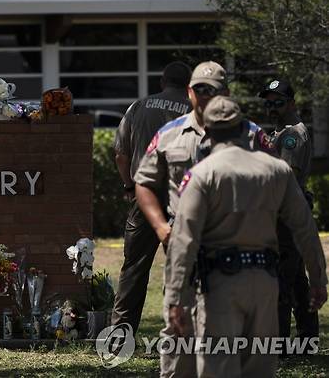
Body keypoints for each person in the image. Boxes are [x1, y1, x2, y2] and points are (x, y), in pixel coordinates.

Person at [165, 96, 327, 377]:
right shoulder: (277, 171)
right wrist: (318, 279)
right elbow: (305, 228)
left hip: (219, 285)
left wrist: (177, 297)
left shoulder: (202, 175)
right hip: (265, 285)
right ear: (243, 129)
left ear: (209, 133)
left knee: (219, 366)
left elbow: (184, 241)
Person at [134, 61, 273, 378]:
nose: (205, 96)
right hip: (183, 250)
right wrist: (160, 226)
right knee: (179, 330)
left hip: (237, 253)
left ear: (226, 93)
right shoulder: (169, 135)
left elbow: (277, 182)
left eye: (212, 90)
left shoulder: (251, 135)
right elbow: (143, 182)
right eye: (199, 89)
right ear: (189, 91)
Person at [111, 61, 192, 335]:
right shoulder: (196, 110)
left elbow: (121, 154)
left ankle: (120, 334)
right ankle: (178, 331)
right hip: (184, 198)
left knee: (134, 267)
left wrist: (130, 186)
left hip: (144, 198)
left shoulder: (138, 107)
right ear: (189, 84)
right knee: (180, 267)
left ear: (162, 82)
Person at [258, 79, 318, 342]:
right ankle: (307, 338)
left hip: (286, 215)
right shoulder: (279, 131)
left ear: (291, 103)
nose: (272, 106)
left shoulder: (292, 134)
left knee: (280, 279)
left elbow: (286, 177)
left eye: (278, 102)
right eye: (268, 102)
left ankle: (278, 342)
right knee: (295, 281)